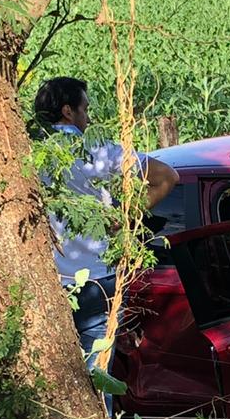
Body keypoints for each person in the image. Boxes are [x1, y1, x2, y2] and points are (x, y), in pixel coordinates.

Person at [33, 77, 179, 381]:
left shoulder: (28, 155)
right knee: (97, 375)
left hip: (49, 281)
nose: (89, 118)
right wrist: (123, 216)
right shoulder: (99, 152)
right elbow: (167, 177)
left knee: (55, 377)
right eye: (85, 109)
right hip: (98, 279)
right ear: (68, 111)